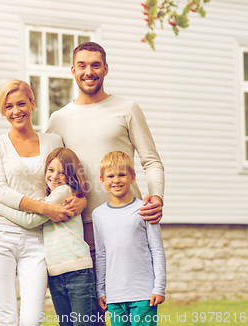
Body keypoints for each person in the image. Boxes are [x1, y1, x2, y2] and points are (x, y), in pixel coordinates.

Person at [45, 42, 165, 324]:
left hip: (126, 229)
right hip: (78, 232)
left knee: (133, 313)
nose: (89, 71)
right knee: (89, 319)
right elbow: (46, 170)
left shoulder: (127, 109)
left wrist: (156, 197)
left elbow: (151, 161)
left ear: (106, 69)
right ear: (73, 71)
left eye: (96, 65)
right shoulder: (58, 119)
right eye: (82, 66)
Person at [0, 79, 86, 326]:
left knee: (31, 319)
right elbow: (0, 190)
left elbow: (68, 178)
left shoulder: (54, 141)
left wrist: (81, 200)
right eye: (8, 106)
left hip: (38, 237)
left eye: (21, 103)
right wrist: (46, 208)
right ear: (2, 110)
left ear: (32, 104)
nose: (16, 111)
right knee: (7, 317)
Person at [0, 147, 96, 326]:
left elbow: (29, 221)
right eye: (51, 170)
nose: (55, 176)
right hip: (56, 274)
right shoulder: (50, 196)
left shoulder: (63, 192)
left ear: (72, 175)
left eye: (62, 172)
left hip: (77, 273)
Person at [93, 151, 166, 326]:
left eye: (122, 174)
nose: (116, 180)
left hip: (144, 294)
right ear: (102, 180)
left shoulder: (145, 208)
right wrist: (100, 290)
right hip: (115, 295)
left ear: (132, 177)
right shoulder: (98, 214)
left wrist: (159, 287)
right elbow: (101, 254)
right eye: (110, 176)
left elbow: (157, 250)